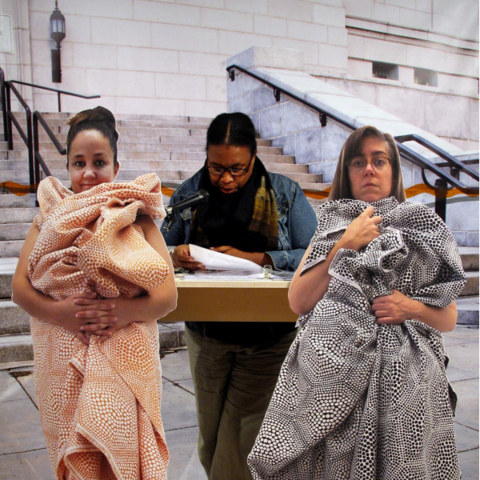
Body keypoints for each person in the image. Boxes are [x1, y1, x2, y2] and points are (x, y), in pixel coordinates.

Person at [248, 126, 466, 479]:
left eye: (379, 161)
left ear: (393, 171)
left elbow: (448, 316)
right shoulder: (332, 223)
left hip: (405, 383)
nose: (369, 169)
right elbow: (298, 300)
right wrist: (345, 244)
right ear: (346, 172)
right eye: (358, 162)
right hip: (333, 377)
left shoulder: (421, 227)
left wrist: (406, 307)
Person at [11, 106, 177, 480]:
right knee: (76, 463)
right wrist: (61, 314)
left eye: (99, 162)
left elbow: (168, 296)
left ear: (116, 168)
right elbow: (19, 288)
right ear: (67, 168)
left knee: (120, 462)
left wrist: (123, 311)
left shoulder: (138, 216)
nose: (88, 173)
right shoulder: (50, 217)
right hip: (63, 358)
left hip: (123, 359)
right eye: (78, 162)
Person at [162, 112, 317, 480]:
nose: (227, 179)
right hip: (207, 334)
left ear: (253, 158)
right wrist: (175, 253)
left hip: (267, 336)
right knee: (211, 437)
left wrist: (259, 258)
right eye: (217, 168)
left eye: (238, 169)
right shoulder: (189, 194)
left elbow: (316, 254)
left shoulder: (284, 193)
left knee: (241, 438)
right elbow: (155, 249)